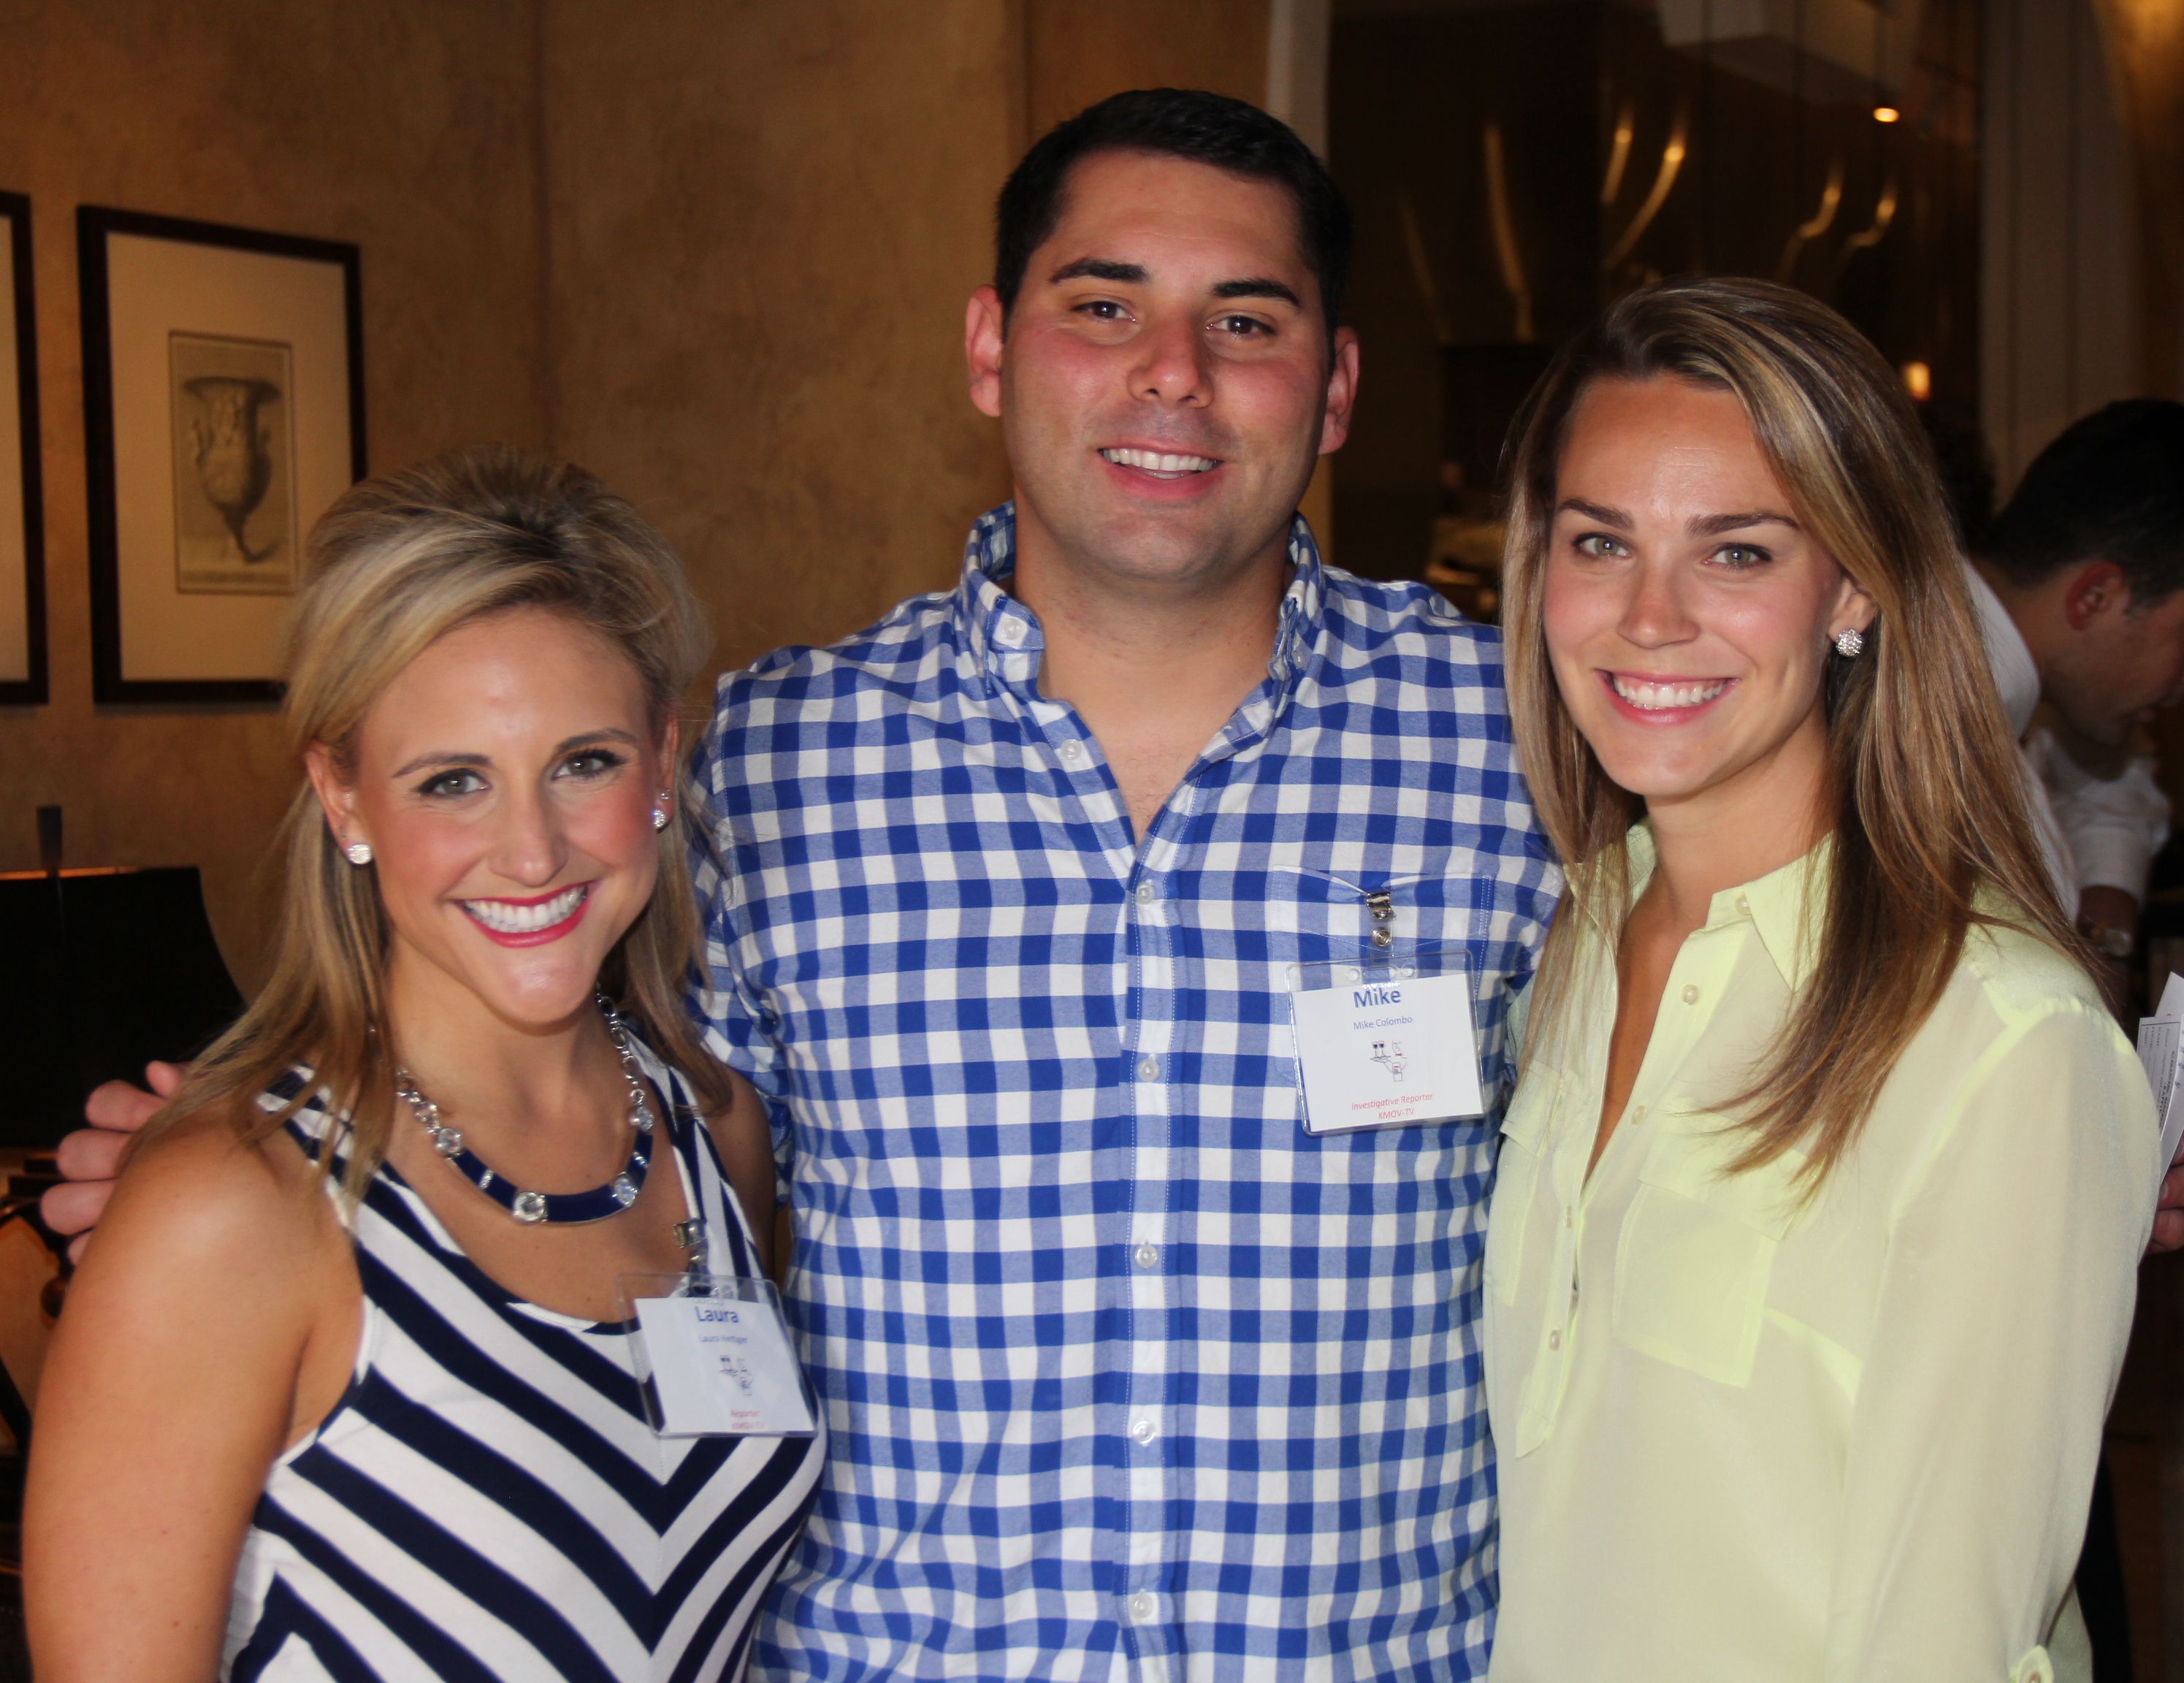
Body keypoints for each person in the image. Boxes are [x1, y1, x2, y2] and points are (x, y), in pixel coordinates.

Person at [50, 91, 1556, 1679]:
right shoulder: (766, 772)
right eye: (1100, 305)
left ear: (1335, 389)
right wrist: (214, 1215)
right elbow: (528, 1068)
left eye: (1244, 320)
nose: (1169, 372)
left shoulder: (1526, 750)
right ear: (989, 349)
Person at [25, 449, 822, 1679]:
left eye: (584, 761)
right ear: (342, 797)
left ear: (665, 763)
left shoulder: (716, 1136)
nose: (531, 848)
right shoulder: (233, 1207)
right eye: (452, 780)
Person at [1481, 278, 2154, 1679]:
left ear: (1854, 584)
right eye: (1601, 540)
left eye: (1735, 553)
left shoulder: (2002, 1039)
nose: (1649, 617)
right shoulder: (1572, 941)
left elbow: (1950, 1636)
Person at [1967, 400, 2184, 964]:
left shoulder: (2020, 676)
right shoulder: (1914, 718)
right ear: (2096, 597)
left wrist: (2103, 934)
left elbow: (2111, 781)